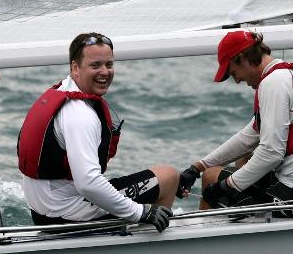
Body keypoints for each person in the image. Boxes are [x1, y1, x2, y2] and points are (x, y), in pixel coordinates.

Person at [18, 32, 179, 232]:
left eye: (109, 65)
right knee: (169, 177)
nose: (104, 72)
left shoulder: (62, 91)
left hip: (44, 210)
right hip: (66, 216)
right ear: (75, 68)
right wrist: (140, 212)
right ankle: (154, 250)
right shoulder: (79, 114)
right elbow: (88, 183)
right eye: (95, 65)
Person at [177, 30, 293, 217]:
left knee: (213, 178)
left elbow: (271, 152)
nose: (237, 80)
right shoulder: (288, 75)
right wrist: (196, 167)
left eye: (233, 72)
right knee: (227, 167)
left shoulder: (273, 83)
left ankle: (203, 239)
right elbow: (247, 138)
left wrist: (227, 186)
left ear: (243, 59)